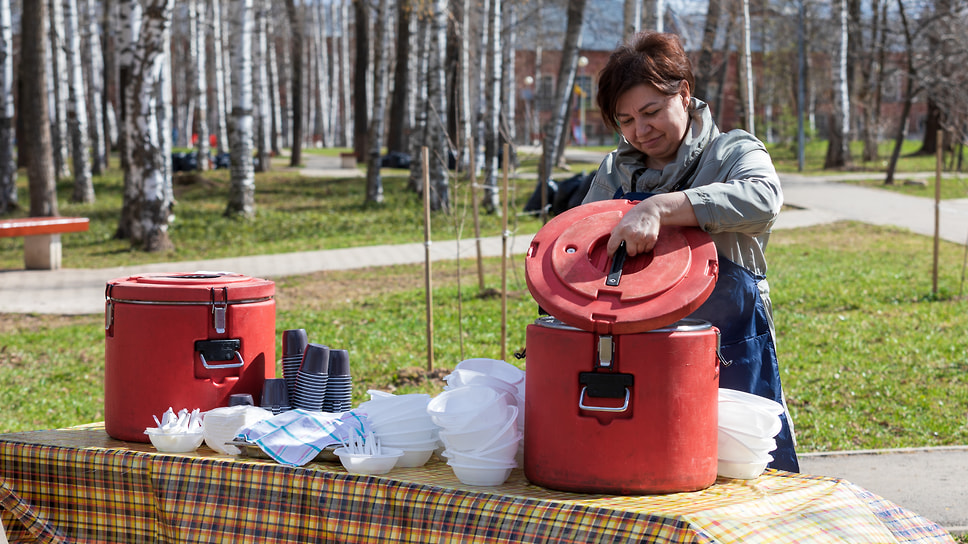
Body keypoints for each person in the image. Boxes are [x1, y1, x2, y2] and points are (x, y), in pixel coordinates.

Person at [583, 31, 799, 472]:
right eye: (625, 120)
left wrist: (660, 207)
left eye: (650, 112)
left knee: (742, 474)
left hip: (730, 348)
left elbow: (762, 200)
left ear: (683, 94)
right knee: (645, 467)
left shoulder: (733, 151)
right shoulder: (615, 170)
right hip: (637, 351)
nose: (640, 131)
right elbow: (583, 244)